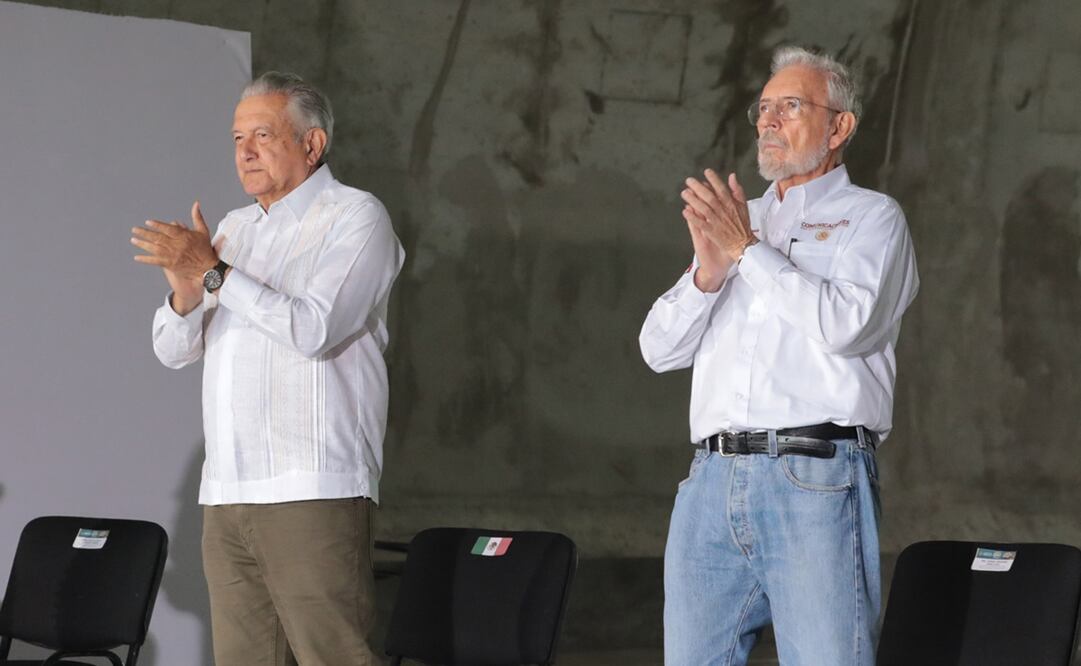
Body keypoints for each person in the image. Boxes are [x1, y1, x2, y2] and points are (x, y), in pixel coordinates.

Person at [639, 46, 919, 665]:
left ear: (839, 126)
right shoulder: (743, 220)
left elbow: (846, 326)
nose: (768, 121)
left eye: (789, 107)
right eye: (762, 109)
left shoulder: (872, 218)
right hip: (711, 479)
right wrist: (706, 277)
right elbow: (657, 350)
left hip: (814, 473)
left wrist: (749, 255)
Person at [132, 71, 404, 665]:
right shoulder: (232, 230)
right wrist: (185, 291)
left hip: (313, 485)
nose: (245, 151)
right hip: (228, 490)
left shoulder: (356, 217)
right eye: (236, 138)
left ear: (313, 145)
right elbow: (174, 350)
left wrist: (213, 273)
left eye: (263, 134)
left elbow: (313, 329)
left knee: (333, 656)